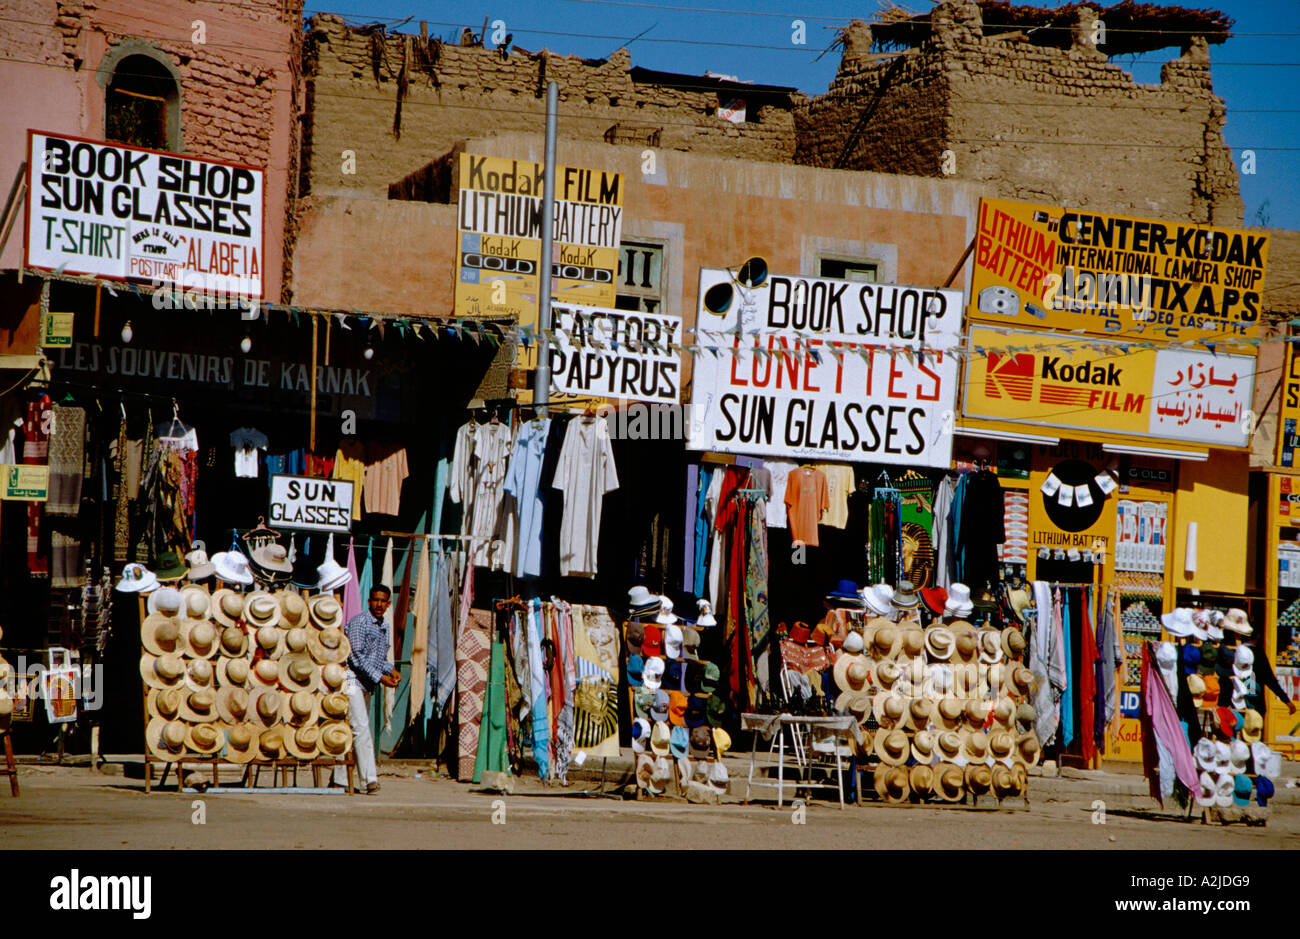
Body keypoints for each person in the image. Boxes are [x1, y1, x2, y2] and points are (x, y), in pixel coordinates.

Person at [332, 586, 400, 793]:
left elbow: (378, 658)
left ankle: (340, 779)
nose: (379, 605)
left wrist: (392, 669)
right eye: (375, 600)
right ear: (369, 601)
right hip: (351, 681)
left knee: (353, 731)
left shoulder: (384, 627)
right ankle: (369, 779)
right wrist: (381, 678)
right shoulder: (359, 623)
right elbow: (356, 657)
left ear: (388, 604)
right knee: (361, 729)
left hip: (366, 684)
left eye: (383, 601)